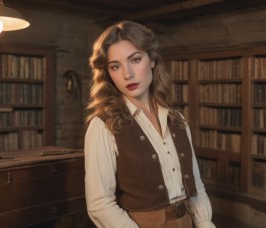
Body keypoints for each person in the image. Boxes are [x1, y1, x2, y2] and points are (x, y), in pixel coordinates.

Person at [84, 20, 216, 228]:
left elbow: (195, 184)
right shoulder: (103, 125)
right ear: (107, 73)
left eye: (135, 60)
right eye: (115, 66)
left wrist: (205, 223)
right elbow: (99, 203)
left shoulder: (177, 120)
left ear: (152, 60)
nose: (127, 74)